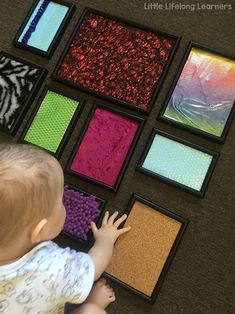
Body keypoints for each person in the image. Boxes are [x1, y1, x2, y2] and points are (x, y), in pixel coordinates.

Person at [0, 144, 131, 314]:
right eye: (61, 200)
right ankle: (92, 303)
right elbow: (94, 266)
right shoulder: (53, 267)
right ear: (40, 230)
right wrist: (106, 238)